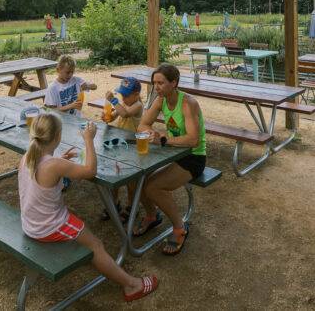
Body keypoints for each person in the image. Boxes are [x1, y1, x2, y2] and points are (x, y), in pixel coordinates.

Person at [18, 113, 158, 302]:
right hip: (46, 227)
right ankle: (131, 285)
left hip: (29, 222)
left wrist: (61, 159)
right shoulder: (55, 165)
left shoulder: (28, 156)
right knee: (96, 246)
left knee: (82, 231)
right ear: (58, 136)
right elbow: (90, 170)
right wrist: (89, 139)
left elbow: (49, 169)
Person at [134, 63, 206, 256]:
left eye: (161, 83)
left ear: (174, 83)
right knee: (137, 178)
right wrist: (152, 133)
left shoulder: (187, 103)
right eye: (154, 82)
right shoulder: (161, 100)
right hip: (172, 153)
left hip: (194, 157)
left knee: (152, 187)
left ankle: (180, 227)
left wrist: (164, 139)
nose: (156, 87)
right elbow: (142, 124)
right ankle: (151, 216)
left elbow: (193, 139)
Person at [99, 77, 144, 220]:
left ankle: (132, 206)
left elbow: (125, 113)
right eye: (121, 95)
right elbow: (114, 116)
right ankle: (114, 203)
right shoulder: (124, 103)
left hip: (132, 146)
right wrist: (107, 116)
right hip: (119, 144)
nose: (123, 98)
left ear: (136, 94)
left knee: (131, 180)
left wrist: (114, 100)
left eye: (126, 95)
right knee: (115, 174)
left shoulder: (137, 105)